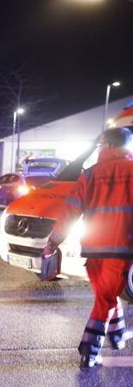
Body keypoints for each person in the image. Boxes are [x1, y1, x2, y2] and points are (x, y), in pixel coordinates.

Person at [43, 127, 133, 368]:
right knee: (105, 300)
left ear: (105, 145)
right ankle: (89, 350)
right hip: (123, 249)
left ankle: (117, 335)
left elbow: (70, 211)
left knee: (105, 296)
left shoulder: (90, 174)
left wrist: (53, 241)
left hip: (93, 249)